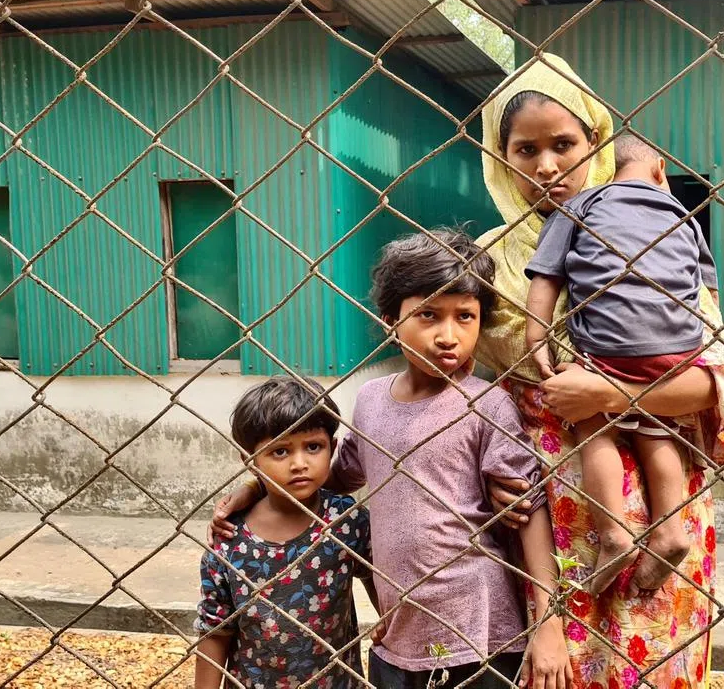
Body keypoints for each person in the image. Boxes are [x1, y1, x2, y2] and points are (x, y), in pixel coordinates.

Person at [477, 53, 724, 688]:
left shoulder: (658, 235)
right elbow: (464, 384)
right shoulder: (487, 262)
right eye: (525, 150)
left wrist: (613, 392)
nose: (546, 166)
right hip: (546, 507)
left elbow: (717, 381)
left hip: (663, 504)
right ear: (499, 157)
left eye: (564, 144)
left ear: (595, 141)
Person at [210, 229, 572, 689]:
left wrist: (547, 622)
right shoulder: (371, 400)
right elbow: (336, 475)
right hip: (398, 635)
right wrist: (259, 486)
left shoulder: (488, 406)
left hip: (481, 632)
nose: (448, 336)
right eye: (428, 315)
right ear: (390, 322)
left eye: (466, 316)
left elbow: (530, 510)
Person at [524, 133, 724, 595]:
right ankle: (671, 529)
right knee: (661, 429)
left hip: (605, 348)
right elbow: (708, 287)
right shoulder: (683, 215)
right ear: (661, 170)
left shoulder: (580, 206)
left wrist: (536, 335)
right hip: (677, 349)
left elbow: (546, 278)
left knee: (593, 425)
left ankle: (614, 531)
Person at [194, 376, 374, 689]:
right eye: (280, 452)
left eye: (313, 447)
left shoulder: (346, 520)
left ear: (332, 447)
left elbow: (374, 573)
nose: (299, 464)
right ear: (250, 460)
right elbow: (215, 632)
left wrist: (388, 620)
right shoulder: (229, 541)